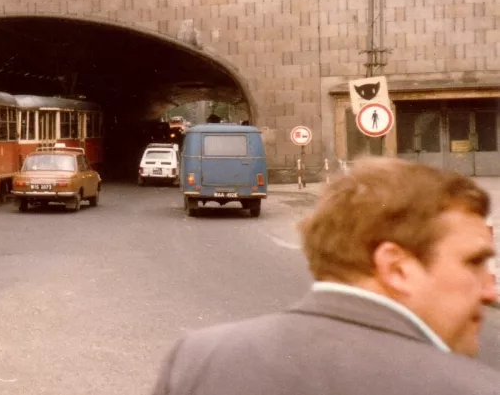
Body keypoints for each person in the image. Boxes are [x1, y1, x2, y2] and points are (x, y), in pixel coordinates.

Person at [151, 157, 500, 394]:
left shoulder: (199, 359)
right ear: (396, 268)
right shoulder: (472, 388)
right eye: (474, 263)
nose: (491, 291)